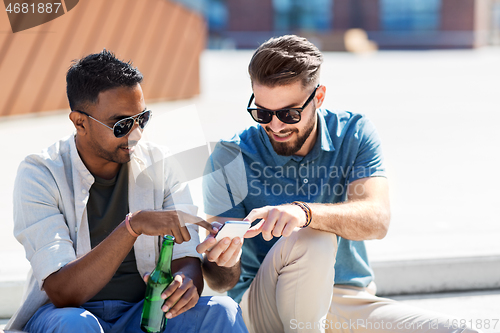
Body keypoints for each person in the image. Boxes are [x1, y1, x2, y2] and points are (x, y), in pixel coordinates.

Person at [197, 35, 479, 333]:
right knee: (311, 238)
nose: (275, 126)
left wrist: (304, 213)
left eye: (289, 114)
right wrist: (224, 259)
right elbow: (220, 282)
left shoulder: (354, 133)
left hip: (345, 301)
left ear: (318, 97)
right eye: (263, 113)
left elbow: (377, 220)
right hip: (264, 306)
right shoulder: (229, 158)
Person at [5, 50, 248, 333]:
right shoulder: (40, 173)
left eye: (142, 119)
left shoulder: (162, 164)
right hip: (66, 315)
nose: (137, 134)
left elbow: (186, 258)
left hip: (145, 312)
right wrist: (133, 226)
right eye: (121, 125)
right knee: (74, 325)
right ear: (79, 122)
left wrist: (184, 283)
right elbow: (63, 293)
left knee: (222, 311)